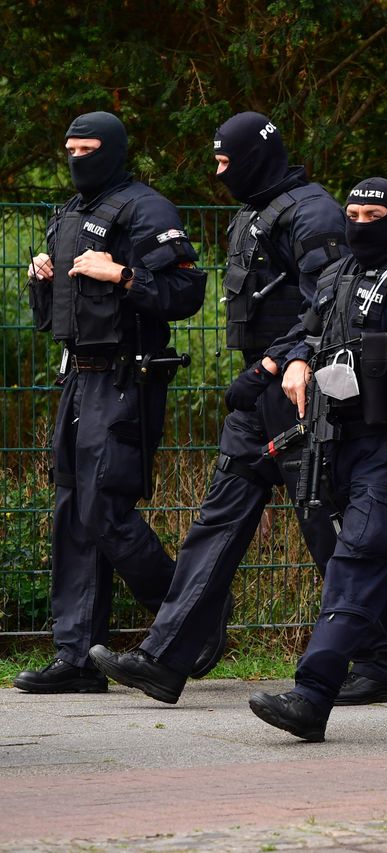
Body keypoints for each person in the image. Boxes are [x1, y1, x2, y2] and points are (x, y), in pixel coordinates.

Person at [89, 112, 387, 706]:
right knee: (217, 520)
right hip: (257, 393)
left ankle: (378, 659)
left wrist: (282, 365)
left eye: (224, 161)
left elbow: (333, 307)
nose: (216, 172)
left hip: (297, 391)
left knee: (323, 524)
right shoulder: (256, 209)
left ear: (253, 158)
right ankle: (164, 659)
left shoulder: (312, 214)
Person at [247, 177, 387, 742]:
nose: (358, 222)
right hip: (340, 444)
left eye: (372, 214)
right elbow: (307, 333)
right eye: (351, 213)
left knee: (357, 560)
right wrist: (297, 360)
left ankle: (311, 695)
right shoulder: (338, 275)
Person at [16, 112, 207, 693]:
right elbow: (59, 320)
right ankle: (76, 660)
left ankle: (191, 627)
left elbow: (186, 292)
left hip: (127, 379)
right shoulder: (68, 214)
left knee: (105, 509)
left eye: (88, 148)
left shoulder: (146, 209)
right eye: (69, 148)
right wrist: (42, 280)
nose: (77, 158)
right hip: (77, 377)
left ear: (115, 150)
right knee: (73, 513)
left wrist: (122, 273)